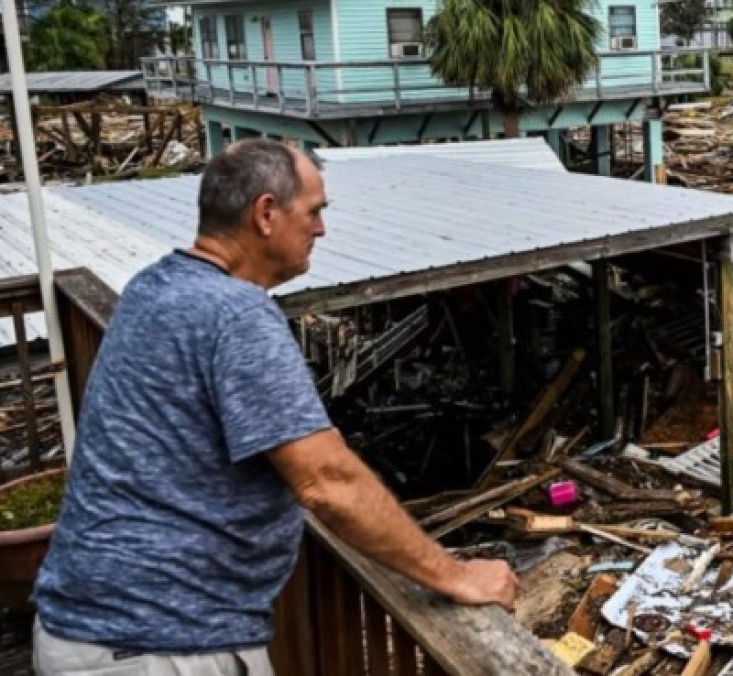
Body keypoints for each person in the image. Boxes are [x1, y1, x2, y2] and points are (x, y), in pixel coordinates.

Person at [33, 139, 517, 675]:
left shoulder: (153, 287)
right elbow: (327, 482)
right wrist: (455, 575)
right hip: (157, 643)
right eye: (313, 211)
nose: (321, 229)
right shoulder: (236, 314)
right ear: (266, 213)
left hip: (94, 627)